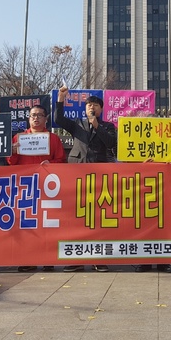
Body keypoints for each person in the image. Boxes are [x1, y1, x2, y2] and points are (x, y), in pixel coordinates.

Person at [54, 86, 117, 272]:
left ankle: (99, 258)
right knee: (76, 217)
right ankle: (76, 259)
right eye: (89, 105)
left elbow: (111, 143)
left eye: (95, 105)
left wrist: (96, 124)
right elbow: (58, 119)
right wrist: (60, 98)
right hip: (77, 175)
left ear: (101, 109)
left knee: (97, 216)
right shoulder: (77, 124)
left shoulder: (108, 126)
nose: (92, 107)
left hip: (99, 176)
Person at [7, 104, 67, 272]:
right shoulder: (19, 138)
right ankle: (28, 259)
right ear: (28, 118)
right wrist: (12, 151)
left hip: (47, 188)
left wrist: (51, 164)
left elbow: (62, 161)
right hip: (25, 188)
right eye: (33, 115)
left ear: (45, 119)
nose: (36, 118)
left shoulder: (53, 139)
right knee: (28, 226)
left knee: (47, 225)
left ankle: (48, 259)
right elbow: (11, 163)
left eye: (40, 115)